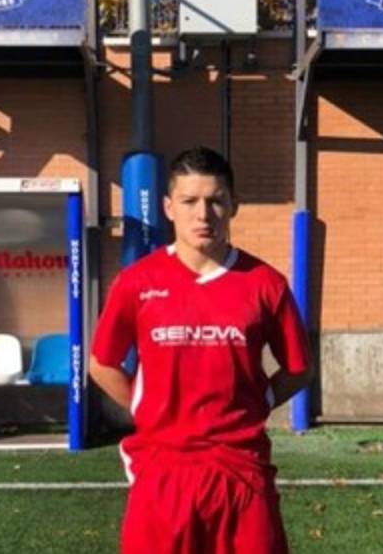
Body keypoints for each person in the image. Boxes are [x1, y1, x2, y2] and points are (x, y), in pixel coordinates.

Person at [89, 146, 314, 554]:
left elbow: (299, 368)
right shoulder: (137, 282)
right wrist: (145, 406)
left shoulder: (265, 284)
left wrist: (259, 401)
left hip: (241, 468)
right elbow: (101, 364)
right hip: (163, 469)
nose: (203, 214)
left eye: (215, 201)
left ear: (234, 206)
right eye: (189, 201)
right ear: (168, 207)